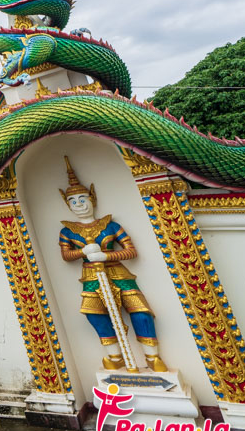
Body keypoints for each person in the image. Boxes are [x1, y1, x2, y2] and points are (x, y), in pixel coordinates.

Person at [58, 156, 167, 372]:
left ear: (92, 199)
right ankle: (115, 355)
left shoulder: (110, 225)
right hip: (90, 277)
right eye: (74, 202)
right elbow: (66, 255)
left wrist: (106, 257)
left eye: (83, 199)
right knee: (95, 316)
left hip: (118, 273)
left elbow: (131, 251)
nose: (79, 205)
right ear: (68, 205)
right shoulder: (67, 231)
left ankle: (152, 357)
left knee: (141, 312)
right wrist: (83, 252)